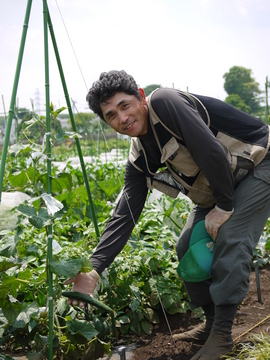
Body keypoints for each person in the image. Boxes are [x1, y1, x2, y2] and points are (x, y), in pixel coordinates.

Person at [65, 70, 270, 360]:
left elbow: (211, 152)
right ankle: (211, 324)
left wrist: (224, 208)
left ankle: (223, 335)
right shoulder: (139, 157)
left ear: (140, 95)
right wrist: (94, 270)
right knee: (186, 247)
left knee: (232, 238)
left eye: (124, 106)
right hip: (222, 183)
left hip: (260, 161)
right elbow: (125, 214)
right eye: (111, 115)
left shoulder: (165, 101)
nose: (121, 118)